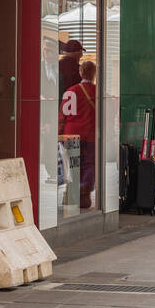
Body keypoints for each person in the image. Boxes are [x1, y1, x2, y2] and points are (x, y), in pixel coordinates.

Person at [60, 60, 97, 209]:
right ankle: (84, 193)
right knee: (89, 164)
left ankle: (73, 195)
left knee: (73, 165)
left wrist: (59, 134)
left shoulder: (70, 91)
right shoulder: (98, 92)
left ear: (81, 72)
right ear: (94, 74)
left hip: (71, 134)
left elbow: (63, 116)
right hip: (90, 135)